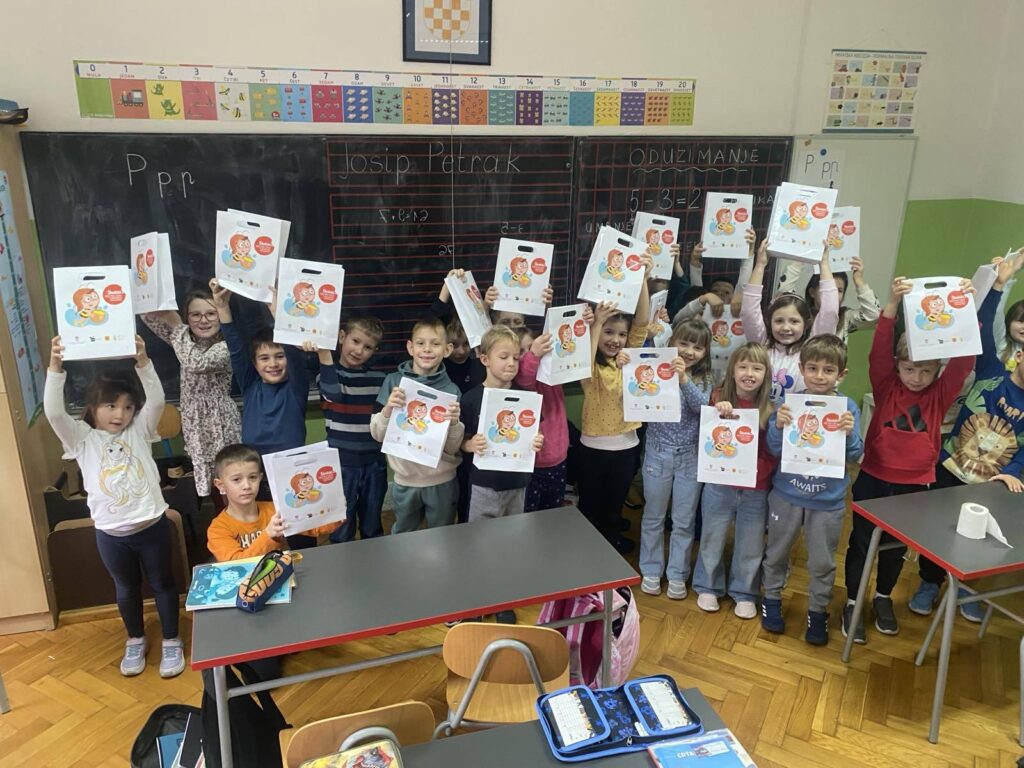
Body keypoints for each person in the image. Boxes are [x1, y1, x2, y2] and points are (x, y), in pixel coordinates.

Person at [841, 275, 975, 643]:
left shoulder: (940, 393)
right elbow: (878, 349)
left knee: (895, 547)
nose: (916, 378)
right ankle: (853, 601)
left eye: (926, 370)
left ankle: (883, 596)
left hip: (914, 485)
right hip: (873, 476)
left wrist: (966, 309)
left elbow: (964, 361)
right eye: (909, 369)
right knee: (861, 543)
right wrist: (891, 304)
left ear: (937, 370)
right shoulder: (886, 384)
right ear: (898, 366)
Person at [44, 334, 185, 678]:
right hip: (111, 533)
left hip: (151, 526)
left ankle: (171, 639)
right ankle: (135, 638)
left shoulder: (140, 430)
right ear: (93, 406)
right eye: (111, 406)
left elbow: (156, 400)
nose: (120, 414)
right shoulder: (81, 438)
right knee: (126, 588)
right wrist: (55, 368)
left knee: (164, 583)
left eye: (127, 407)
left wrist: (144, 362)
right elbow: (54, 412)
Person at [911, 268, 1024, 619]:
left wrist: (1013, 472)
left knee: (981, 538)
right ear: (1020, 355)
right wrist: (998, 286)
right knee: (937, 528)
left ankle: (967, 588)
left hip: (994, 481)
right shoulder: (991, 370)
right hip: (951, 465)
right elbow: (984, 328)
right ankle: (929, 582)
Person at [761, 335, 863, 645]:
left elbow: (855, 454)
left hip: (827, 500)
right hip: (786, 495)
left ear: (841, 374)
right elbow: (774, 449)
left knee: (822, 561)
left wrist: (848, 433)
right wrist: (778, 426)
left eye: (828, 370)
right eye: (813, 368)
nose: (820, 376)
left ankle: (818, 612)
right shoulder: (788, 404)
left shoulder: (847, 408)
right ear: (802, 369)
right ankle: (771, 599)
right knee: (777, 552)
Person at [210, 279, 312, 545]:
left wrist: (279, 314)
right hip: (256, 474)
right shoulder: (251, 384)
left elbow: (294, 356)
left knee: (300, 533)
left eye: (279, 356)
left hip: (291, 471)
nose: (273, 363)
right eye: (264, 358)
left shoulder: (296, 387)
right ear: (254, 364)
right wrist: (222, 308)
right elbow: (236, 349)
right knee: (266, 535)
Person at [693, 343, 776, 618]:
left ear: (766, 374)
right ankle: (708, 585)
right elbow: (706, 439)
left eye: (756, 368)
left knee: (751, 543)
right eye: (743, 367)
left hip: (756, 488)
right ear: (732, 370)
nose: (749, 373)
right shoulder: (717, 398)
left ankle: (745, 592)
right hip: (720, 486)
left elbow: (773, 452)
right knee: (712, 536)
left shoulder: (770, 409)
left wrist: (756, 471)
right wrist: (717, 411)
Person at [577, 257, 653, 553]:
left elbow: (642, 323)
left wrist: (643, 279)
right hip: (593, 450)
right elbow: (585, 359)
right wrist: (597, 323)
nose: (616, 340)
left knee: (613, 509)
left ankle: (608, 553)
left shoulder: (629, 360)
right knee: (590, 508)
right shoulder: (591, 368)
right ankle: (587, 554)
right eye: (609, 333)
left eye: (621, 334)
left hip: (626, 447)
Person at [635, 319, 714, 600]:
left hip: (690, 457)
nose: (690, 351)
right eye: (684, 343)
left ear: (705, 352)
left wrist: (684, 380)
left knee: (683, 520)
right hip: (657, 453)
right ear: (671, 343)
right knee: (654, 515)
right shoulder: (656, 368)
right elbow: (636, 379)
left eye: (698, 347)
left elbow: (703, 409)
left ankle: (678, 573)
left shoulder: (705, 378)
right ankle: (651, 569)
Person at [142, 289, 240, 499]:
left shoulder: (226, 346)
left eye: (211, 313)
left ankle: (233, 515)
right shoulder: (184, 341)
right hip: (194, 421)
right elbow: (149, 318)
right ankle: (219, 517)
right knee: (209, 483)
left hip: (219, 421)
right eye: (195, 314)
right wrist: (149, 294)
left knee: (229, 477)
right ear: (187, 318)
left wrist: (176, 324)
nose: (203, 320)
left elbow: (197, 363)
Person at [370, 317, 463, 533]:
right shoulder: (393, 383)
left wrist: (454, 423)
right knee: (403, 535)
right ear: (410, 347)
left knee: (443, 536)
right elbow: (377, 434)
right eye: (421, 343)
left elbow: (452, 447)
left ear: (447, 350)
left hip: (442, 481)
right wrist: (388, 409)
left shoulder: (451, 391)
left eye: (435, 343)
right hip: (405, 481)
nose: (427, 349)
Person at [461, 325, 545, 522]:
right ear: (485, 360)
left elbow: (537, 432)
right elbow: (460, 441)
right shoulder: (470, 399)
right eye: (503, 357)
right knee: (479, 534)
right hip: (483, 484)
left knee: (513, 532)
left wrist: (537, 440)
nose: (511, 364)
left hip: (517, 482)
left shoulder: (527, 398)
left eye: (515, 358)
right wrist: (470, 444)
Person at [741, 239, 839, 404]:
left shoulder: (812, 349)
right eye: (779, 321)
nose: (786, 328)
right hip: (761, 418)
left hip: (798, 418)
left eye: (794, 321)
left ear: (806, 324)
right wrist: (760, 266)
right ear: (769, 322)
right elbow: (749, 311)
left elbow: (830, 312)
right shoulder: (762, 345)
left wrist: (824, 264)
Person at [317, 316, 387, 543]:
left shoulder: (380, 380)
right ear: (341, 337)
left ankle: (373, 560)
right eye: (355, 341)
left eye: (368, 347)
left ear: (374, 351)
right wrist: (323, 353)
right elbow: (333, 394)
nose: (359, 351)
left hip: (374, 462)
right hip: (340, 465)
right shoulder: (328, 375)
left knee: (372, 524)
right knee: (341, 527)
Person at [206, 443, 341, 561]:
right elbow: (237, 565)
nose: (246, 485)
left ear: (260, 478)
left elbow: (315, 528)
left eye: (252, 477)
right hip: (244, 582)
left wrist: (335, 511)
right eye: (236, 480)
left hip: (279, 575)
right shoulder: (218, 529)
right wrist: (268, 535)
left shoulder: (275, 510)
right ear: (220, 485)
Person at [514, 323, 581, 512]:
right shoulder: (522, 380)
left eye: (532, 348)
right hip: (533, 465)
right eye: (522, 352)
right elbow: (525, 378)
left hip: (558, 459)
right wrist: (533, 355)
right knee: (529, 514)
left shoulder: (550, 375)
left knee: (553, 511)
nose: (529, 354)